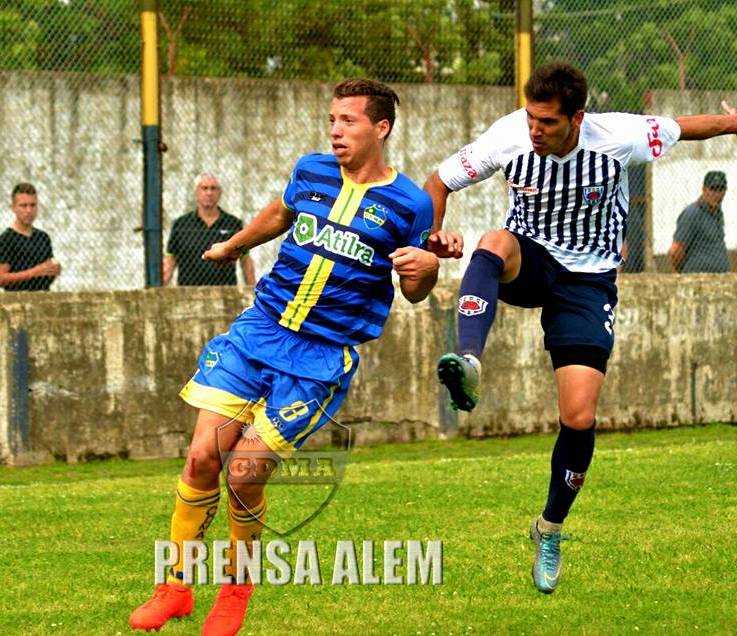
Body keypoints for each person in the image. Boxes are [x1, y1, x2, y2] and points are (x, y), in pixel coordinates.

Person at [129, 78, 461, 635]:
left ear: (380, 127)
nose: (335, 131)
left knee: (243, 473)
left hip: (321, 356)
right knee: (201, 461)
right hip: (258, 333)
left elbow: (414, 284)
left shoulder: (410, 203)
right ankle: (175, 589)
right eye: (332, 119)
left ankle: (234, 594)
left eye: (348, 121)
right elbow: (280, 213)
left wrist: (427, 272)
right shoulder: (311, 169)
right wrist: (235, 245)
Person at [424, 60, 737, 595]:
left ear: (577, 118)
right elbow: (438, 180)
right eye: (530, 118)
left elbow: (684, 126)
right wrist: (432, 233)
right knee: (493, 242)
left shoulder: (617, 136)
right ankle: (469, 360)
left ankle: (549, 528)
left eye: (546, 122)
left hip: (588, 283)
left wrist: (733, 123)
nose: (534, 130)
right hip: (532, 259)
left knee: (579, 414)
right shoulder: (509, 136)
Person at [163, 174, 256, 286]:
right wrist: (159, 290)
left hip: (225, 292)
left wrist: (252, 291)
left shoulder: (233, 224)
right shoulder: (181, 225)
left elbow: (245, 261)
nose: (209, 193)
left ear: (219, 193)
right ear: (196, 193)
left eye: (213, 188)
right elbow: (170, 260)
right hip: (188, 292)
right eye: (204, 188)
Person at [0, 183, 61, 291]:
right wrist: (34, 272)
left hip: (43, 298)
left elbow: (46, 272)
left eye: (33, 205)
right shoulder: (5, 240)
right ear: (13, 208)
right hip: (16, 302)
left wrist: (54, 270)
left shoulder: (43, 237)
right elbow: (0, 279)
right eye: (23, 205)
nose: (28, 210)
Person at [669, 171, 730, 273]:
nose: (717, 194)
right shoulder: (691, 214)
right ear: (704, 190)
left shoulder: (718, 213)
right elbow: (676, 251)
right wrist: (684, 273)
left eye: (721, 189)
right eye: (713, 189)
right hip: (697, 278)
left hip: (719, 279)